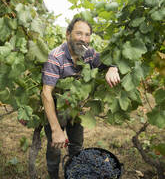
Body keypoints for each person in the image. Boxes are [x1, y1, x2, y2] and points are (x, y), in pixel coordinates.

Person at [41, 18, 120, 179]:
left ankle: (75, 174)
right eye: (79, 33)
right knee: (55, 148)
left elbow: (108, 62)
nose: (83, 38)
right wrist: (56, 130)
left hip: (77, 107)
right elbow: (46, 93)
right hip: (56, 107)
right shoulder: (56, 57)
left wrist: (112, 68)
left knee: (77, 147)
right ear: (68, 34)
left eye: (87, 34)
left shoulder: (88, 52)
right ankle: (53, 175)